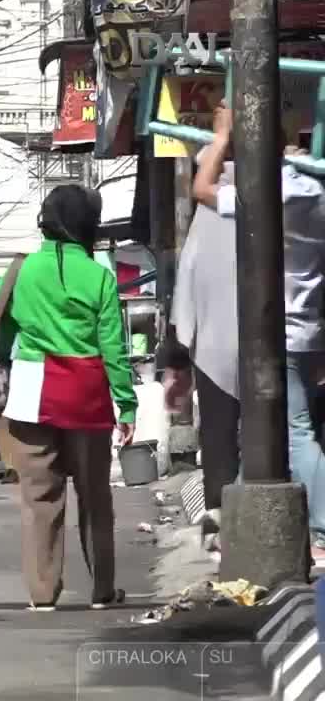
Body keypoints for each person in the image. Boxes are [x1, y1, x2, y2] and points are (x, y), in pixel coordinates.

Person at [188, 102, 325, 565]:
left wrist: (222, 137)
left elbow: (201, 189)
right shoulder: (314, 190)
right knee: (264, 433)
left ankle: (322, 530)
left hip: (276, 331)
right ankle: (239, 525)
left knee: (295, 432)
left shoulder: (268, 192)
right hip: (306, 330)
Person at [0, 185, 134, 612]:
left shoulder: (22, 270)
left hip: (32, 392)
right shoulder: (99, 277)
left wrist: (7, 362)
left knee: (40, 497)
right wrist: (126, 404)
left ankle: (42, 593)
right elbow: (113, 348)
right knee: (95, 496)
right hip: (85, 393)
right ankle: (102, 590)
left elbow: (3, 335)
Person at [159, 143, 240, 553]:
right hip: (287, 344)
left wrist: (176, 362)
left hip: (213, 348)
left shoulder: (217, 209)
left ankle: (222, 522)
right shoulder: (282, 194)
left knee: (221, 435)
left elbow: (185, 290)